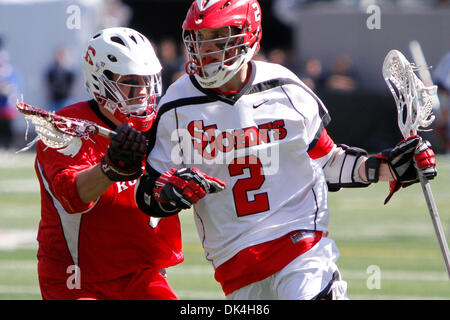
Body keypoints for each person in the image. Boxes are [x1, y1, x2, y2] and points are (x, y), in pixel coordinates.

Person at [135, 0, 437, 300]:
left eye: (218, 38)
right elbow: (149, 193)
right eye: (200, 39)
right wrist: (169, 192)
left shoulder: (284, 87)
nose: (205, 50)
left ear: (248, 37)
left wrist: (383, 167)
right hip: (235, 262)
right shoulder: (176, 104)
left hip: (299, 243)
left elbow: (327, 161)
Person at [35, 27, 183, 300]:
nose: (143, 92)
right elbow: (71, 196)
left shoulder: (165, 124)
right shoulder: (69, 126)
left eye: (148, 81)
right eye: (131, 82)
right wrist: (109, 169)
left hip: (140, 272)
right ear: (101, 80)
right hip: (77, 277)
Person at [45, 47, 76, 111]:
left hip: (65, 98)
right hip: (55, 99)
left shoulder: (68, 70)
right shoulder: (53, 70)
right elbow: (49, 82)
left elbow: (72, 82)